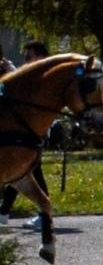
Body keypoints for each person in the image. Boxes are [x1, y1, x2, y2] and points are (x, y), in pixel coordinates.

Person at [1, 40, 51, 229]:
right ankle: (4, 211)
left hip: (35, 130)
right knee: (20, 171)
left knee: (31, 170)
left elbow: (25, 90)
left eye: (29, 56)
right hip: (25, 129)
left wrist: (11, 70)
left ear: (39, 56)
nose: (27, 60)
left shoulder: (44, 73)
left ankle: (42, 214)